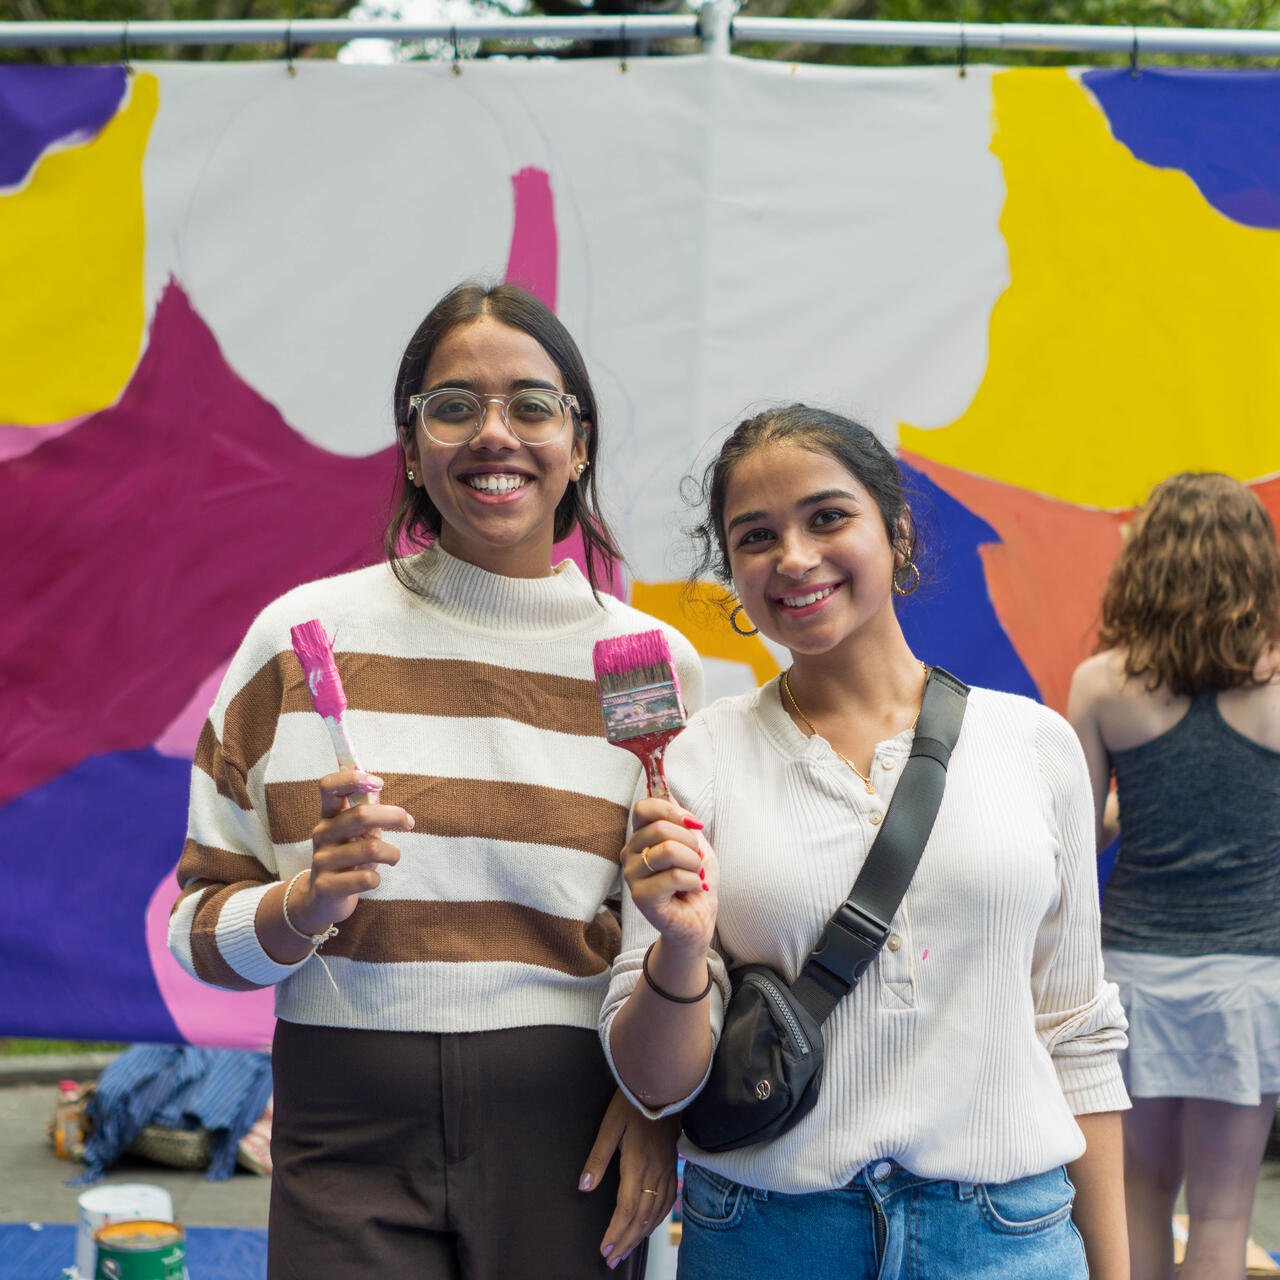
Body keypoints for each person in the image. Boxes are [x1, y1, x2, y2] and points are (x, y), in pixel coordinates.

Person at [168, 281, 703, 1279]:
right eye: (453, 405)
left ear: (579, 444)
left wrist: (654, 1109)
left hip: (571, 1132)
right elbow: (196, 931)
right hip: (342, 1128)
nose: (494, 433)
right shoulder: (297, 641)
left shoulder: (648, 665)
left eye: (532, 405)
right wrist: (301, 904)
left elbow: (670, 937)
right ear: (412, 447)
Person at [600, 404, 1131, 1280]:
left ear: (897, 529)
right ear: (732, 571)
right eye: (756, 536)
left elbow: (1076, 1033)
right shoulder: (693, 764)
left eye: (827, 517)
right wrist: (681, 948)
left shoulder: (1035, 746)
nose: (794, 557)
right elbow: (657, 1085)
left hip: (1005, 1238)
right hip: (769, 1241)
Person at [1067, 472, 1280, 1280]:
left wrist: (1140, 809)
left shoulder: (1101, 684)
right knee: (1224, 1215)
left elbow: (1073, 840)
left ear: (1147, 562)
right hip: (1251, 979)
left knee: (1139, 1195)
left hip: (1134, 976)